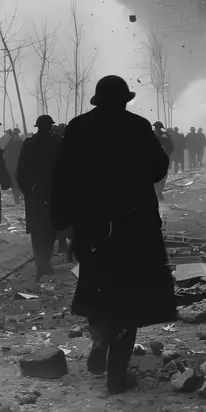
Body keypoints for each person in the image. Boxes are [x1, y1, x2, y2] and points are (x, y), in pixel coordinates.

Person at [51, 75, 176, 395]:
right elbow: (158, 169)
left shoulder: (78, 127)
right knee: (128, 298)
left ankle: (100, 338)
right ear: (124, 100)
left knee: (96, 287)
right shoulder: (137, 126)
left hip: (91, 226)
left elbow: (62, 176)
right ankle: (116, 375)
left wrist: (64, 222)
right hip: (133, 227)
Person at [17, 115, 68, 280]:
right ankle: (44, 260)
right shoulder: (58, 142)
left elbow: (21, 172)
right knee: (50, 228)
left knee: (37, 229)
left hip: (35, 193)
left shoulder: (29, 143)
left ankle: (41, 261)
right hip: (53, 192)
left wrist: (27, 191)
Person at [153, 121, 174, 200]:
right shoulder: (166, 136)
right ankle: (158, 191)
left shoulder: (151, 135)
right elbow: (171, 148)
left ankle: (157, 191)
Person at [4, 127, 23, 204]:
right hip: (19, 164)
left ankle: (16, 198)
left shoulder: (10, 142)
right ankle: (18, 197)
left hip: (12, 164)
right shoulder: (20, 142)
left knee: (14, 181)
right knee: (18, 181)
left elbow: (5, 152)